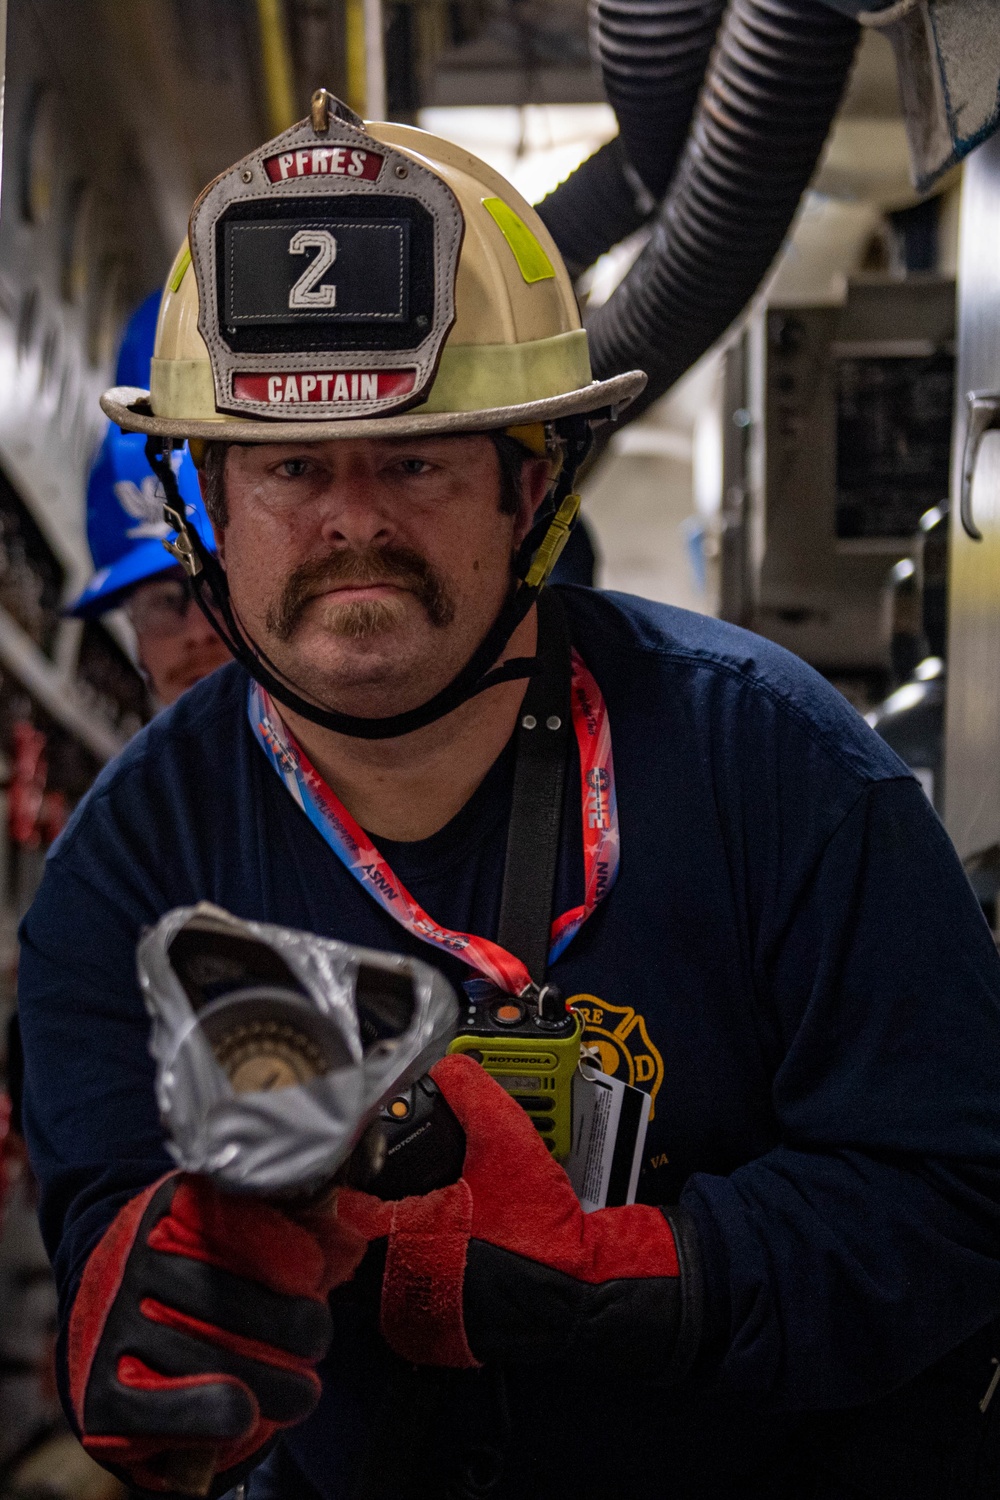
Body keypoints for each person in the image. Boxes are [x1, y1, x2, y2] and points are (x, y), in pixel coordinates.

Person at [15, 93, 1000, 1500]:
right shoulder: (125, 879)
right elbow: (115, 1238)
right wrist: (158, 1316)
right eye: (292, 468)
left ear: (527, 488)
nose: (355, 518)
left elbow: (962, 1194)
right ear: (207, 512)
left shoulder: (780, 771)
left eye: (416, 459)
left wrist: (639, 1274)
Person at [68, 292, 230, 706]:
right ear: (136, 641)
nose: (198, 633)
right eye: (162, 602)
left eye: (218, 589)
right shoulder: (140, 774)